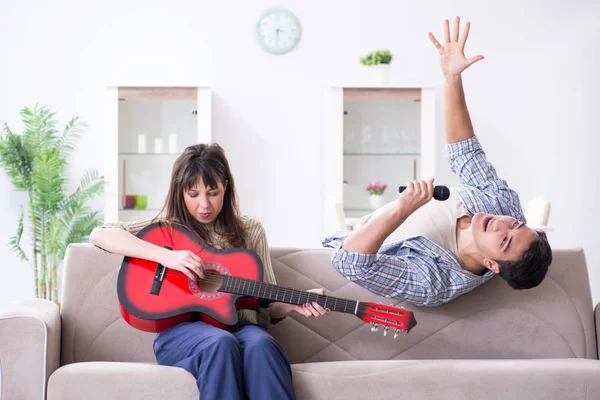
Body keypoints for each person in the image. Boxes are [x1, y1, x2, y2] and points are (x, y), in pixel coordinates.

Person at [322, 17, 552, 307]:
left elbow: (349, 263)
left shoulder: (435, 282)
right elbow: (465, 153)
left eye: (505, 241)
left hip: (353, 235)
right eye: (515, 224)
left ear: (491, 265)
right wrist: (452, 77)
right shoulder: (502, 205)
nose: (501, 225)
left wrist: (402, 209)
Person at [91, 143, 328, 400]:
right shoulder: (168, 229)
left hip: (240, 327)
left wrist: (293, 304)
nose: (204, 204)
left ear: (225, 186)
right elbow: (100, 235)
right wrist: (167, 256)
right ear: (180, 192)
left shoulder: (251, 230)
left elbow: (265, 306)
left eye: (212, 192)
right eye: (193, 194)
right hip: (180, 333)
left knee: (262, 344)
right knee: (219, 343)